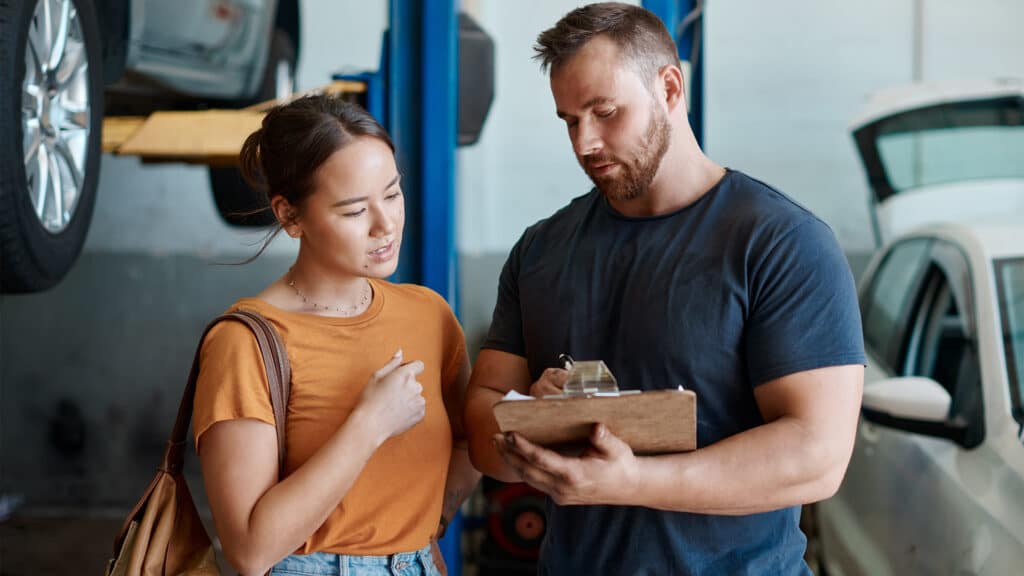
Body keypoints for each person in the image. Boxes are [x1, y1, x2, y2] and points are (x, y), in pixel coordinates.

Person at [464, 3, 865, 574]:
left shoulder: (781, 244)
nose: (585, 143)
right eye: (569, 120)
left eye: (604, 112)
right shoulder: (540, 251)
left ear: (671, 88)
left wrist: (631, 482)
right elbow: (483, 435)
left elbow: (816, 458)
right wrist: (533, 415)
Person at [193, 94, 479, 576]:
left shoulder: (430, 315)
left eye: (392, 193)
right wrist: (369, 425)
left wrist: (423, 533)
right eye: (353, 212)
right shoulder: (245, 343)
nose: (385, 225)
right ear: (289, 217)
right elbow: (249, 551)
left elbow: (471, 442)